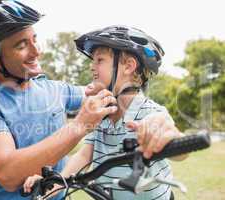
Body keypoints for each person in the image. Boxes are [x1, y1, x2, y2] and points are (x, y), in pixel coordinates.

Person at [0, 1, 118, 200]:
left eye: (34, 39)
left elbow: (102, 91)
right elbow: (8, 173)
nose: (36, 51)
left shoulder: (53, 89)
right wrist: (79, 125)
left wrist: (156, 117)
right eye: (22, 45)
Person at [24, 25, 187, 199]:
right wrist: (52, 185)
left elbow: (178, 149)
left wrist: (167, 135)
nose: (91, 67)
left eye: (99, 60)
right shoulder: (102, 114)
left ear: (128, 66)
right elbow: (84, 154)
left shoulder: (151, 113)